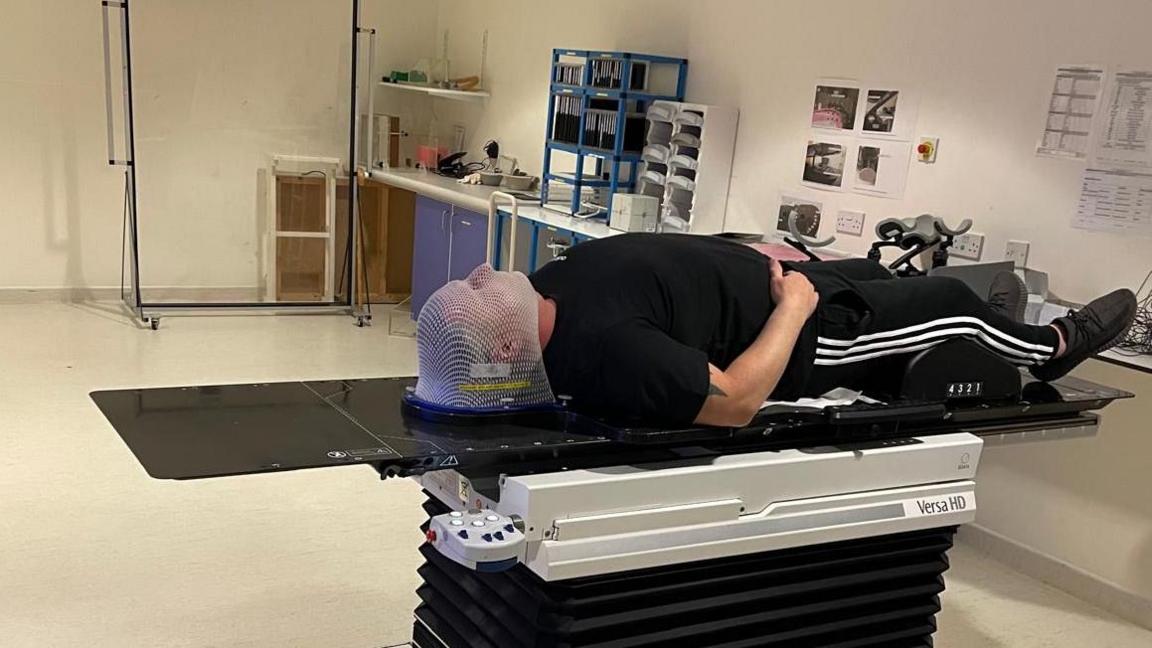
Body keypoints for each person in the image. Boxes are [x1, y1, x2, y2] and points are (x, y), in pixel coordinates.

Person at [414, 233, 1136, 428]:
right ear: (506, 348)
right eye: (473, 296)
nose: (479, 275)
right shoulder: (604, 350)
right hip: (813, 334)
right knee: (948, 297)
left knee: (879, 270)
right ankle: (1051, 347)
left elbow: (661, 263)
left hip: (793, 281)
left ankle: (989, 326)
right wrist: (792, 306)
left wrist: (760, 257)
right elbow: (733, 403)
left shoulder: (552, 286)